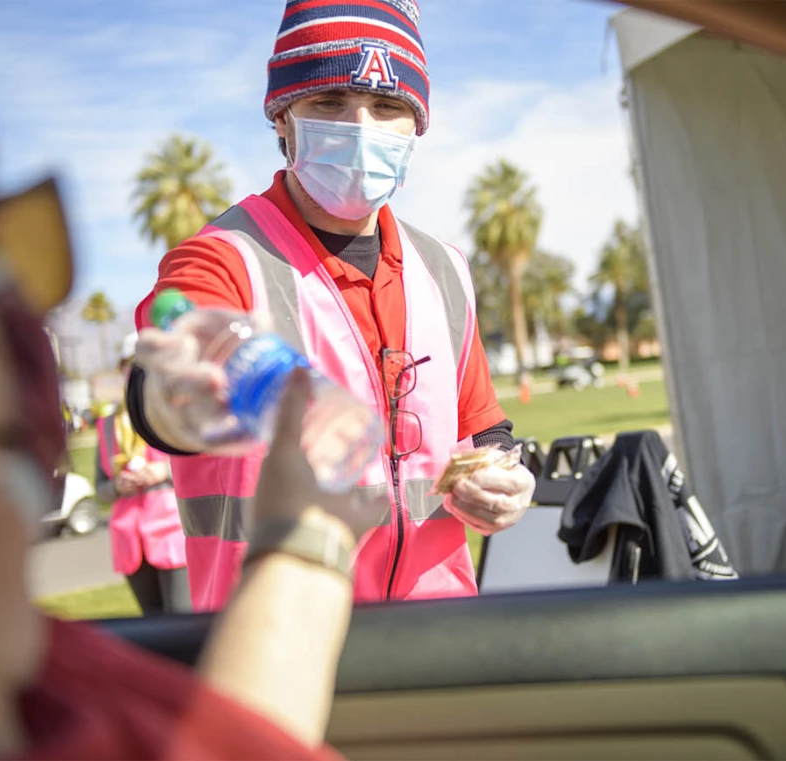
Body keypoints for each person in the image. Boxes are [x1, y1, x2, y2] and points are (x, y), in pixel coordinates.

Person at [0, 4, 376, 757]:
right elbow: (160, 383)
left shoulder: (36, 676)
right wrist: (174, 400)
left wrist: (305, 537)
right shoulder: (223, 253)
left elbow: (229, 742)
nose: (30, 310)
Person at [128, 0, 537, 611]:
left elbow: (485, 430)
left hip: (438, 635)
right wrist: (177, 387)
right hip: (274, 646)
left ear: (416, 125)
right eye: (329, 103)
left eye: (389, 106)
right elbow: (160, 397)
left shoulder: (446, 269)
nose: (361, 126)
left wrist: (505, 476)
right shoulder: (220, 259)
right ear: (283, 119)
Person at [94, 333, 190, 614]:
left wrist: (165, 470)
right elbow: (99, 488)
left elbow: (206, 468)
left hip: (172, 533)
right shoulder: (108, 425)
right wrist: (117, 486)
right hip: (130, 540)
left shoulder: (177, 412)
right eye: (131, 364)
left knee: (183, 624)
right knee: (153, 626)